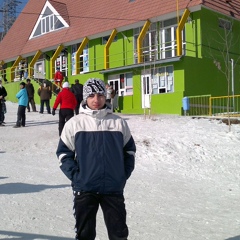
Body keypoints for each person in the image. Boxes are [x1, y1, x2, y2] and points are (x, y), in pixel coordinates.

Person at [56, 78, 136, 240]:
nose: (96, 100)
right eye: (91, 95)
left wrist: (121, 175)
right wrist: (78, 177)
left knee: (118, 234)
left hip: (113, 188)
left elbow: (130, 152)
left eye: (100, 95)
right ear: (85, 97)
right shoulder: (75, 123)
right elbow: (64, 154)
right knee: (85, 234)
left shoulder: (118, 123)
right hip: (85, 189)